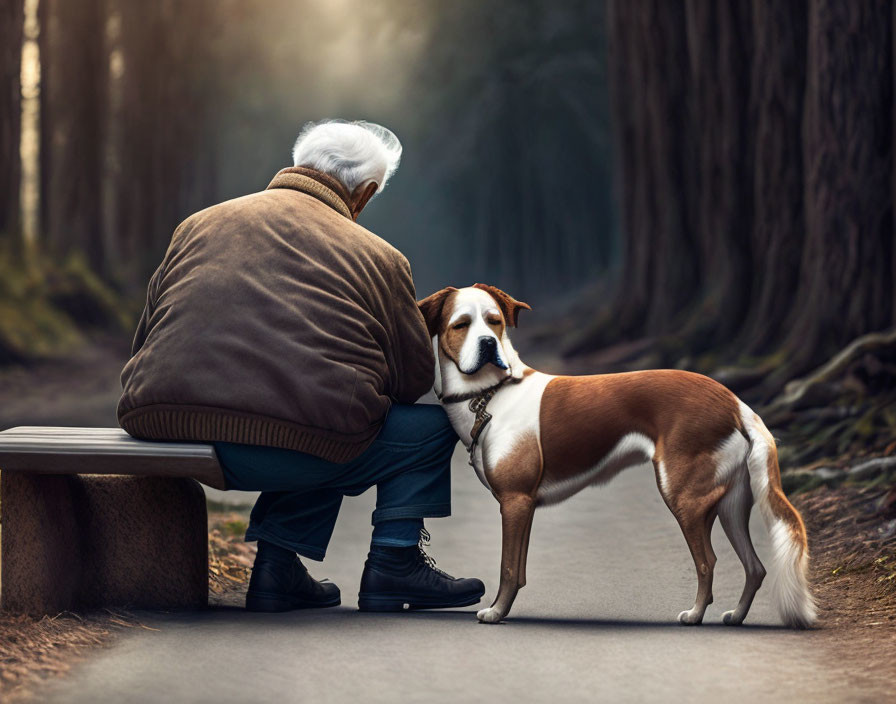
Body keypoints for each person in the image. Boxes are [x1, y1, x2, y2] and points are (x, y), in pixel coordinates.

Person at [117, 120, 484, 613]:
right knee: (399, 426)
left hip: (163, 426)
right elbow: (410, 381)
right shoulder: (380, 258)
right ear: (366, 193)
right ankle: (395, 565)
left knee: (320, 410)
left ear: (298, 164)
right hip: (284, 446)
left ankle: (278, 571)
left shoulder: (197, 223)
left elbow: (145, 340)